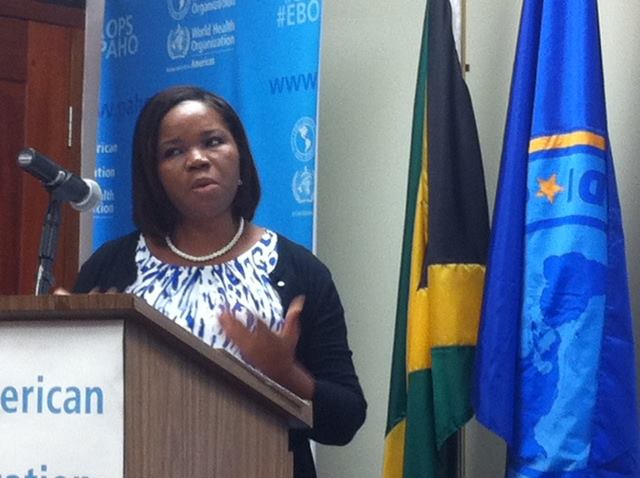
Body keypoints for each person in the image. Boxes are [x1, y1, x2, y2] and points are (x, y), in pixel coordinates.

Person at [72, 85, 366, 477]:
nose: (197, 160)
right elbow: (77, 404)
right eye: (173, 151)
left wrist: (285, 373)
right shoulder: (111, 268)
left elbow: (346, 420)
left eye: (213, 142)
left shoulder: (299, 270)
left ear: (240, 156)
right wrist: (71, 343)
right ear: (153, 175)